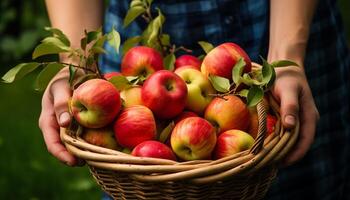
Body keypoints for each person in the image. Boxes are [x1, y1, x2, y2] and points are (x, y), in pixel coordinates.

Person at [40, 0, 349, 199]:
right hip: (145, 42)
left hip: (286, 27)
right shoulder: (122, 95)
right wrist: (76, 66)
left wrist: (287, 57)